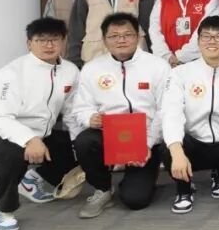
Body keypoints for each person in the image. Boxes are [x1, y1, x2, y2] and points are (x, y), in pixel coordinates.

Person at [69, 12, 171, 217]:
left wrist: (147, 143)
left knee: (135, 200)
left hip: (147, 138)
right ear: (104, 39)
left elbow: (166, 109)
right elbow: (80, 107)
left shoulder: (158, 66)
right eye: (114, 36)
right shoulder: (92, 68)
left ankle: (141, 177)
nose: (121, 40)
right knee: (85, 141)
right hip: (110, 134)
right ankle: (103, 189)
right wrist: (90, 117)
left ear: (138, 36)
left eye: (127, 35)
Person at [0, 18, 80, 230]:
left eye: (54, 39)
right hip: (0, 138)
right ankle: (4, 210)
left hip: (44, 134)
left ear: (63, 41)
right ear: (29, 43)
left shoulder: (70, 70)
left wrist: (81, 137)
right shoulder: (10, 74)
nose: (49, 45)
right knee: (11, 155)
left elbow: (72, 111)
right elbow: (0, 118)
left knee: (81, 144)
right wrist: (29, 139)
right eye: (41, 40)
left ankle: (31, 181)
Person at [161, 16, 219, 214]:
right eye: (206, 36)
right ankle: (184, 189)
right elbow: (171, 113)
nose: (212, 41)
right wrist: (177, 153)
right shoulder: (180, 74)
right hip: (195, 143)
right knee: (168, 146)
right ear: (198, 41)